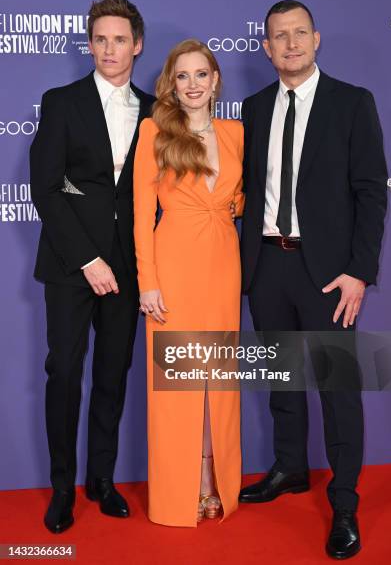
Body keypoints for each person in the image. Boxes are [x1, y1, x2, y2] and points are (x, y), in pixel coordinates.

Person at [239, 0, 387, 559]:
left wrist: (360, 273)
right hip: (267, 266)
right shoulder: (253, 109)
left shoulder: (352, 103)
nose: (292, 44)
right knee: (283, 380)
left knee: (337, 390)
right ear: (267, 47)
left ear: (316, 39)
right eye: (280, 36)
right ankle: (290, 469)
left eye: (300, 33)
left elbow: (372, 193)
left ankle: (344, 502)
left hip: (329, 274)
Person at [30, 0, 154, 533]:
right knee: (64, 372)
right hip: (70, 265)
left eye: (119, 39)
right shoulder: (61, 102)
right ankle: (62, 489)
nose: (109, 49)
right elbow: (48, 186)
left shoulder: (154, 110)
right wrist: (87, 258)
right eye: (100, 39)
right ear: (89, 44)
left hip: (129, 268)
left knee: (112, 374)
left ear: (137, 45)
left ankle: (101, 481)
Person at [133, 39, 243, 526]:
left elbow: (239, 195)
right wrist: (147, 282)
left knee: (216, 379)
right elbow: (140, 215)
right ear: (171, 85)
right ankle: (181, 492)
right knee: (177, 382)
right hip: (172, 264)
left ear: (216, 80)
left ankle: (212, 481)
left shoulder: (236, 132)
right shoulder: (154, 131)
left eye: (202, 74)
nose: (194, 84)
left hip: (222, 262)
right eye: (183, 76)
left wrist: (230, 207)